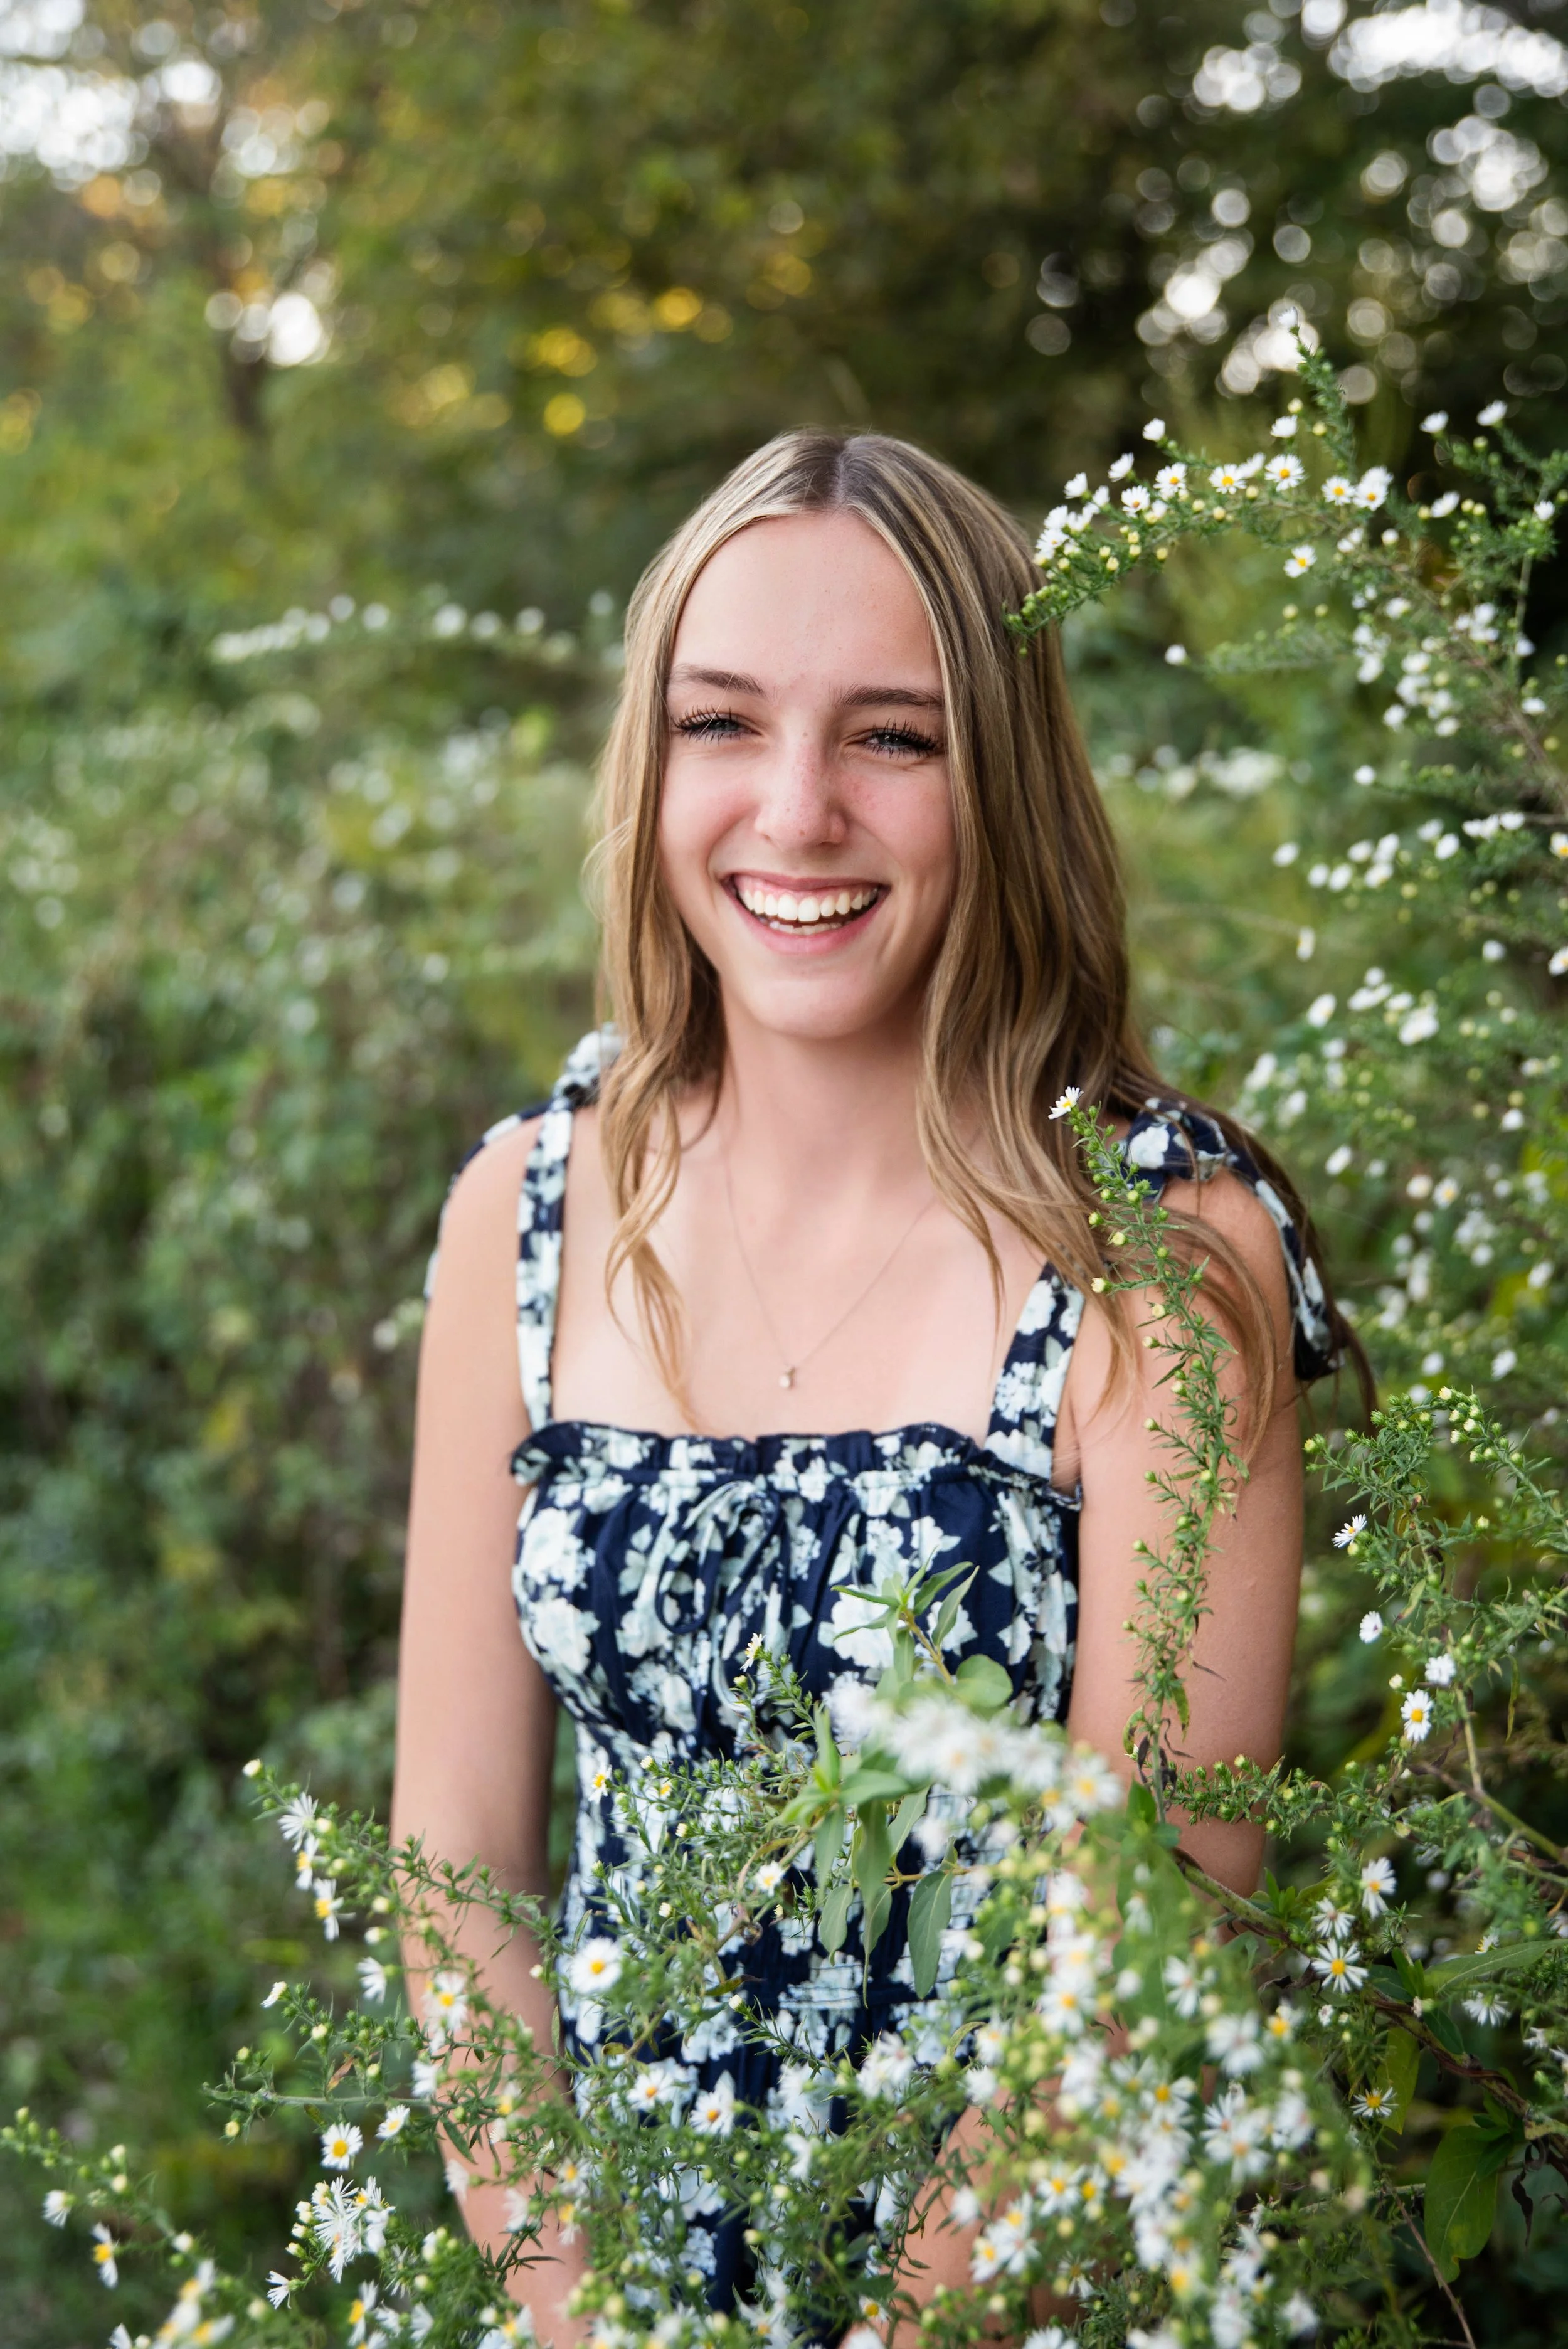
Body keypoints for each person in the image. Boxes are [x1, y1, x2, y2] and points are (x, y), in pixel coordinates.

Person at [390, 430, 1345, 2333]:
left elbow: (1160, 1927)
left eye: (892, 739)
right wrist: (580, 2316)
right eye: (722, 724)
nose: (796, 809)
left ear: (1003, 781)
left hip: (1030, 2292)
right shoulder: (528, 1210)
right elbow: (458, 1870)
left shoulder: (1162, 1259)